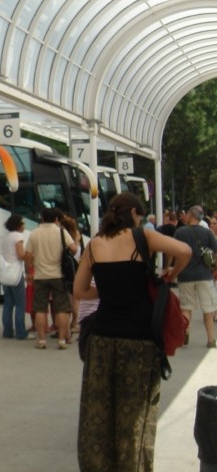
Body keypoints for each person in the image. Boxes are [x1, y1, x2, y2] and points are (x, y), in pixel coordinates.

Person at [74, 192, 190, 471]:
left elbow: (79, 291)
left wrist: (108, 290)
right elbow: (185, 251)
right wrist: (172, 274)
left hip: (101, 341)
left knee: (98, 412)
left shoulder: (94, 245)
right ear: (136, 214)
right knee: (134, 415)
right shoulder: (142, 237)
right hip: (139, 342)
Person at [24, 207, 77, 350]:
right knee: (61, 309)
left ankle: (41, 340)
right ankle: (61, 340)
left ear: (42, 218)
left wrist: (29, 271)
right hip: (59, 275)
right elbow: (73, 249)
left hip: (40, 276)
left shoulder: (34, 233)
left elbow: (27, 254)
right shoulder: (61, 231)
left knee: (40, 309)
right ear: (56, 219)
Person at [173, 205, 217, 347]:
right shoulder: (208, 233)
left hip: (185, 275)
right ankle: (211, 339)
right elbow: (215, 252)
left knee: (186, 307)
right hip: (204, 275)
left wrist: (172, 269)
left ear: (191, 215)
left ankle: (185, 334)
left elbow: (174, 252)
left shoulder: (180, 232)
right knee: (208, 309)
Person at [0, 214, 30, 340]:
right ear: (18, 225)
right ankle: (20, 332)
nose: (24, 225)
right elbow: (20, 254)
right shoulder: (18, 236)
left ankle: (7, 331)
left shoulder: (5, 237)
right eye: (23, 223)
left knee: (8, 303)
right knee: (20, 303)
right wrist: (29, 256)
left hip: (6, 272)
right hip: (16, 272)